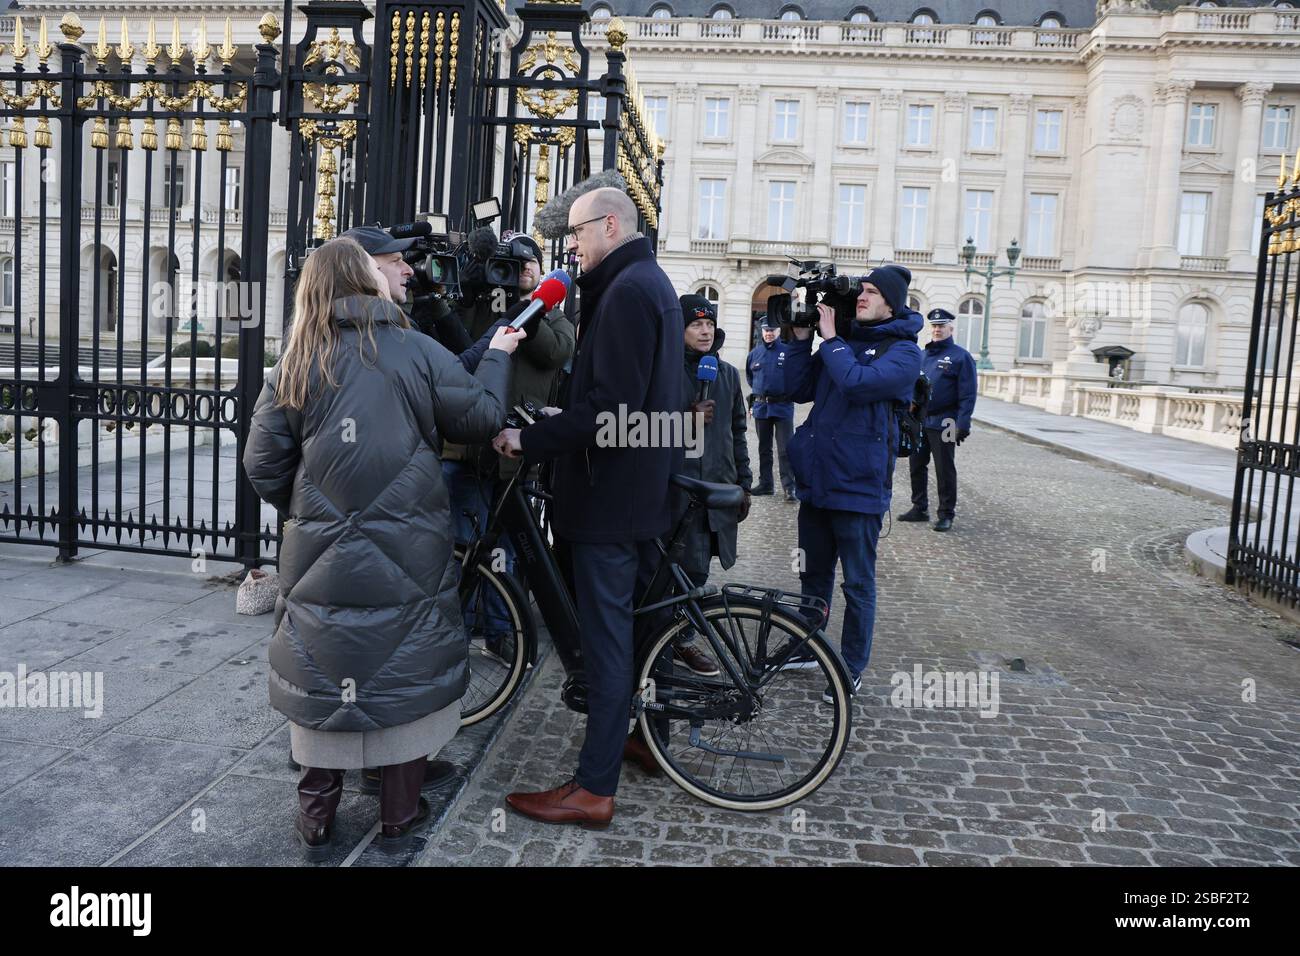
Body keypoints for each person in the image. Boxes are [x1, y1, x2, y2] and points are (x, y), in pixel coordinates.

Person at [242, 237, 522, 859]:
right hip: (410, 541)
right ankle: (400, 813)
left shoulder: (294, 362)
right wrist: (498, 354)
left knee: (324, 655)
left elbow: (262, 465)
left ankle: (316, 813)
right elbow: (479, 416)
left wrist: (319, 504)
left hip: (319, 551)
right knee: (404, 661)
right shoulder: (414, 350)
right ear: (368, 283)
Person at [491, 185, 682, 828]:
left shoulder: (627, 292)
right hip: (628, 489)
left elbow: (613, 412)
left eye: (574, 232)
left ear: (607, 225)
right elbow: (619, 402)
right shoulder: (643, 282)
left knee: (605, 647)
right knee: (626, 635)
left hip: (611, 502)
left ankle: (593, 788)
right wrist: (565, 415)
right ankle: (637, 738)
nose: (568, 246)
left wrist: (534, 437)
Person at [770, 265, 923, 702]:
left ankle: (851, 667)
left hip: (859, 489)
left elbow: (859, 385)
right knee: (813, 575)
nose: (862, 297)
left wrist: (832, 339)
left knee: (857, 584)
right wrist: (801, 339)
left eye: (872, 292)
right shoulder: (846, 343)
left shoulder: (905, 352)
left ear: (892, 303)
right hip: (818, 481)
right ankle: (803, 646)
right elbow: (796, 388)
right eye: (862, 290)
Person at [669, 293, 753, 678]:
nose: (704, 331)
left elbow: (738, 430)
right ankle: (669, 641)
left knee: (700, 572)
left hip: (717, 488)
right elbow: (640, 428)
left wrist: (744, 484)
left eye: (709, 325)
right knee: (675, 570)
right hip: (677, 489)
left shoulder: (727, 374)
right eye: (695, 324)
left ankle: (679, 636)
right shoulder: (665, 371)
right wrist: (686, 418)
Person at [900, 308, 978, 532]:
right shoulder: (923, 356)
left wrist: (963, 424)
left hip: (946, 420)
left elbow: (968, 394)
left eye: (941, 326)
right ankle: (919, 507)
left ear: (950, 329)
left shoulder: (961, 357)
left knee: (944, 468)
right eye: (934, 326)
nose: (937, 329)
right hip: (920, 419)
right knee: (916, 465)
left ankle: (946, 514)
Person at [746, 316, 797, 501]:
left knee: (785, 449)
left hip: (783, 406)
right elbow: (750, 378)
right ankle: (766, 484)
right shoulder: (754, 354)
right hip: (761, 407)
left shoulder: (788, 352)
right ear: (762, 331)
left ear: (778, 331)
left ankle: (789, 487)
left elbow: (795, 378)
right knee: (763, 448)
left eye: (772, 330)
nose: (768, 334)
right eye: (766, 330)